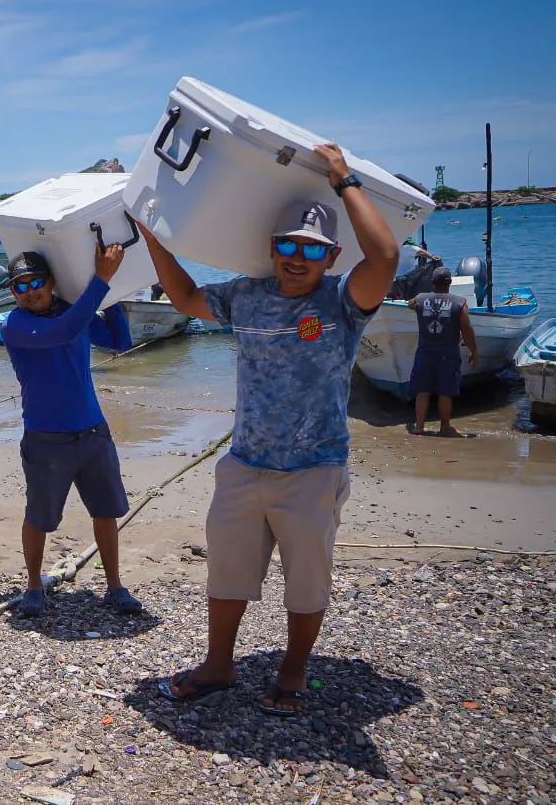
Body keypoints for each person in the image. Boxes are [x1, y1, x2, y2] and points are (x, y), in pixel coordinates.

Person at [141, 143, 399, 717]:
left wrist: (343, 179)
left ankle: (293, 668)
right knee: (227, 571)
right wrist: (155, 238)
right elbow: (184, 298)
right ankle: (218, 664)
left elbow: (384, 256)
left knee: (306, 581)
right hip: (245, 463)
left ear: (330, 257)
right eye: (287, 245)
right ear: (272, 249)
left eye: (311, 249)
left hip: (314, 469)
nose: (296, 257)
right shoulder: (248, 297)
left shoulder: (343, 302)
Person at [1, 245, 143, 617]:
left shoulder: (70, 313)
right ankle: (33, 586)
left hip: (93, 433)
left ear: (52, 282)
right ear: (13, 293)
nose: (31, 290)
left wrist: (111, 293)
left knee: (106, 511)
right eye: (21, 286)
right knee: (39, 516)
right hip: (46, 438)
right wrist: (100, 281)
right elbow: (62, 333)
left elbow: (118, 341)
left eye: (37, 281)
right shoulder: (15, 325)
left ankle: (115, 585)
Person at [408, 267, 478, 436]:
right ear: (450, 283)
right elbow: (466, 329)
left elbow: (411, 303)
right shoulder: (459, 303)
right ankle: (444, 427)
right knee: (445, 391)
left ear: (432, 282)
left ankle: (418, 427)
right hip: (447, 354)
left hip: (425, 352)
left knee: (422, 390)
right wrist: (474, 350)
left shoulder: (420, 299)